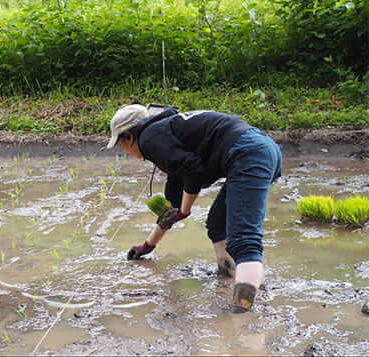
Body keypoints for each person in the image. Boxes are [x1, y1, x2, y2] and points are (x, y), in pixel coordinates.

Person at [107, 104, 282, 312]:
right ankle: (230, 278)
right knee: (217, 224)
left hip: (249, 154)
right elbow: (171, 210)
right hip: (260, 149)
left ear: (129, 136)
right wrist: (147, 246)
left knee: (244, 240)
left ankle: (241, 315)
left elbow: (193, 171)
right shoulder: (167, 136)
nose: (125, 152)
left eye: (121, 144)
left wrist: (185, 209)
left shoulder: (149, 139)